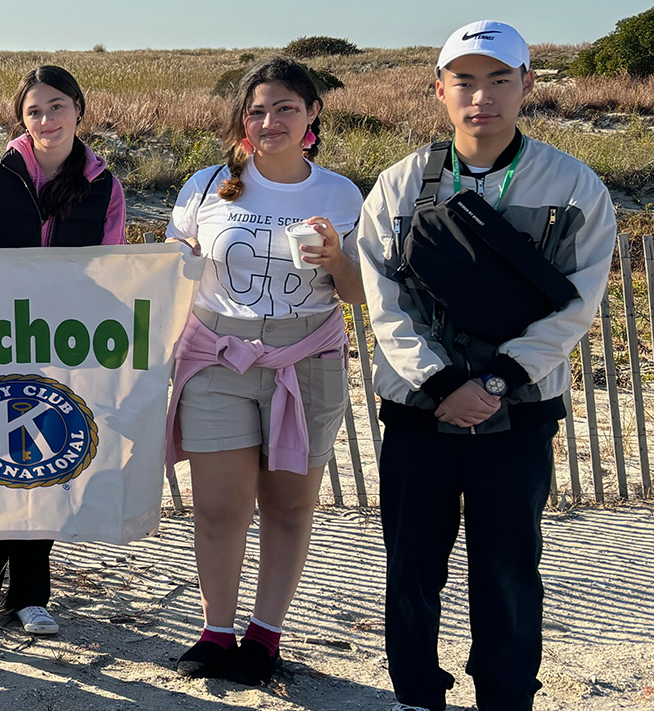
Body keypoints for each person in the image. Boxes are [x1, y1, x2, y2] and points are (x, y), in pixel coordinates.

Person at [355, 21, 616, 711]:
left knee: (507, 569)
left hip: (520, 412)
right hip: (417, 410)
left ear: (527, 84)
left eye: (500, 78)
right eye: (465, 80)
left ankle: (505, 697)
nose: (482, 97)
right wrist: (442, 382)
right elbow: (384, 301)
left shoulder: (573, 184)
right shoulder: (401, 182)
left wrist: (497, 381)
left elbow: (575, 306)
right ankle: (417, 694)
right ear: (439, 89)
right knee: (412, 568)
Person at [160, 56, 365, 686]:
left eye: (284, 108)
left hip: (308, 359)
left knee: (288, 506)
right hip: (217, 356)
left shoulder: (339, 193)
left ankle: (264, 636)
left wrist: (335, 259)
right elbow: (169, 275)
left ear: (312, 116)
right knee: (218, 508)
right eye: (256, 110)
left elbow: (359, 295)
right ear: (241, 120)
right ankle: (215, 630)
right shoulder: (206, 185)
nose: (268, 121)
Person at [0, 65, 128, 636]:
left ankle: (20, 593)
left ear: (78, 107)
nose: (46, 119)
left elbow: (114, 267)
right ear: (21, 118)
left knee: (50, 462)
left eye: (56, 106)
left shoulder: (106, 185)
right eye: (34, 111)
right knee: (1, 461)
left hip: (68, 345)